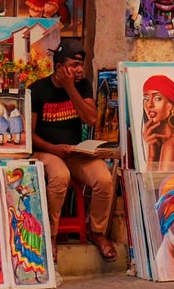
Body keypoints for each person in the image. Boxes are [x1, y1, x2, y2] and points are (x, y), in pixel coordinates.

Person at [29, 43, 118, 261]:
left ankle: (96, 232)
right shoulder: (37, 90)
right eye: (74, 65)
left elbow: (91, 118)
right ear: (59, 68)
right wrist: (53, 149)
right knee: (60, 176)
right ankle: (50, 235)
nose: (80, 70)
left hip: (75, 152)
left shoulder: (82, 86)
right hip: (46, 151)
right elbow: (29, 135)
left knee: (104, 179)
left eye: (82, 65)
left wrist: (70, 88)